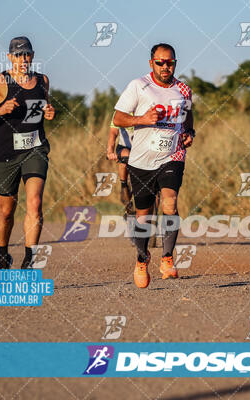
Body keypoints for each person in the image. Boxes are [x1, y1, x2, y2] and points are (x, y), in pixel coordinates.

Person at [113, 43, 195, 288]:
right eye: (160, 62)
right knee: (143, 216)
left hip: (173, 156)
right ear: (151, 63)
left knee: (170, 203)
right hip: (141, 161)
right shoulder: (138, 86)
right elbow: (117, 118)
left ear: (175, 63)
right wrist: (141, 119)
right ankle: (142, 258)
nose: (165, 67)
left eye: (169, 62)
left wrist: (190, 131)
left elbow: (188, 115)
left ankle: (168, 258)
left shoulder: (184, 90)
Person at [0, 36, 55, 269]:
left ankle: (29, 261)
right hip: (6, 153)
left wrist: (49, 112)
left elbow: (43, 109)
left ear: (32, 55)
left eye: (27, 54)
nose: (23, 59)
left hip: (35, 148)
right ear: (10, 57)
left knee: (34, 202)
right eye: (18, 55)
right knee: (6, 211)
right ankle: (3, 255)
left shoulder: (42, 80)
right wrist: (0, 110)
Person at [106, 111, 134, 213]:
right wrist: (110, 152)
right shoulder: (120, 111)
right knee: (126, 156)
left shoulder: (144, 107)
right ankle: (124, 185)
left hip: (142, 149)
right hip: (125, 147)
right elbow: (113, 133)